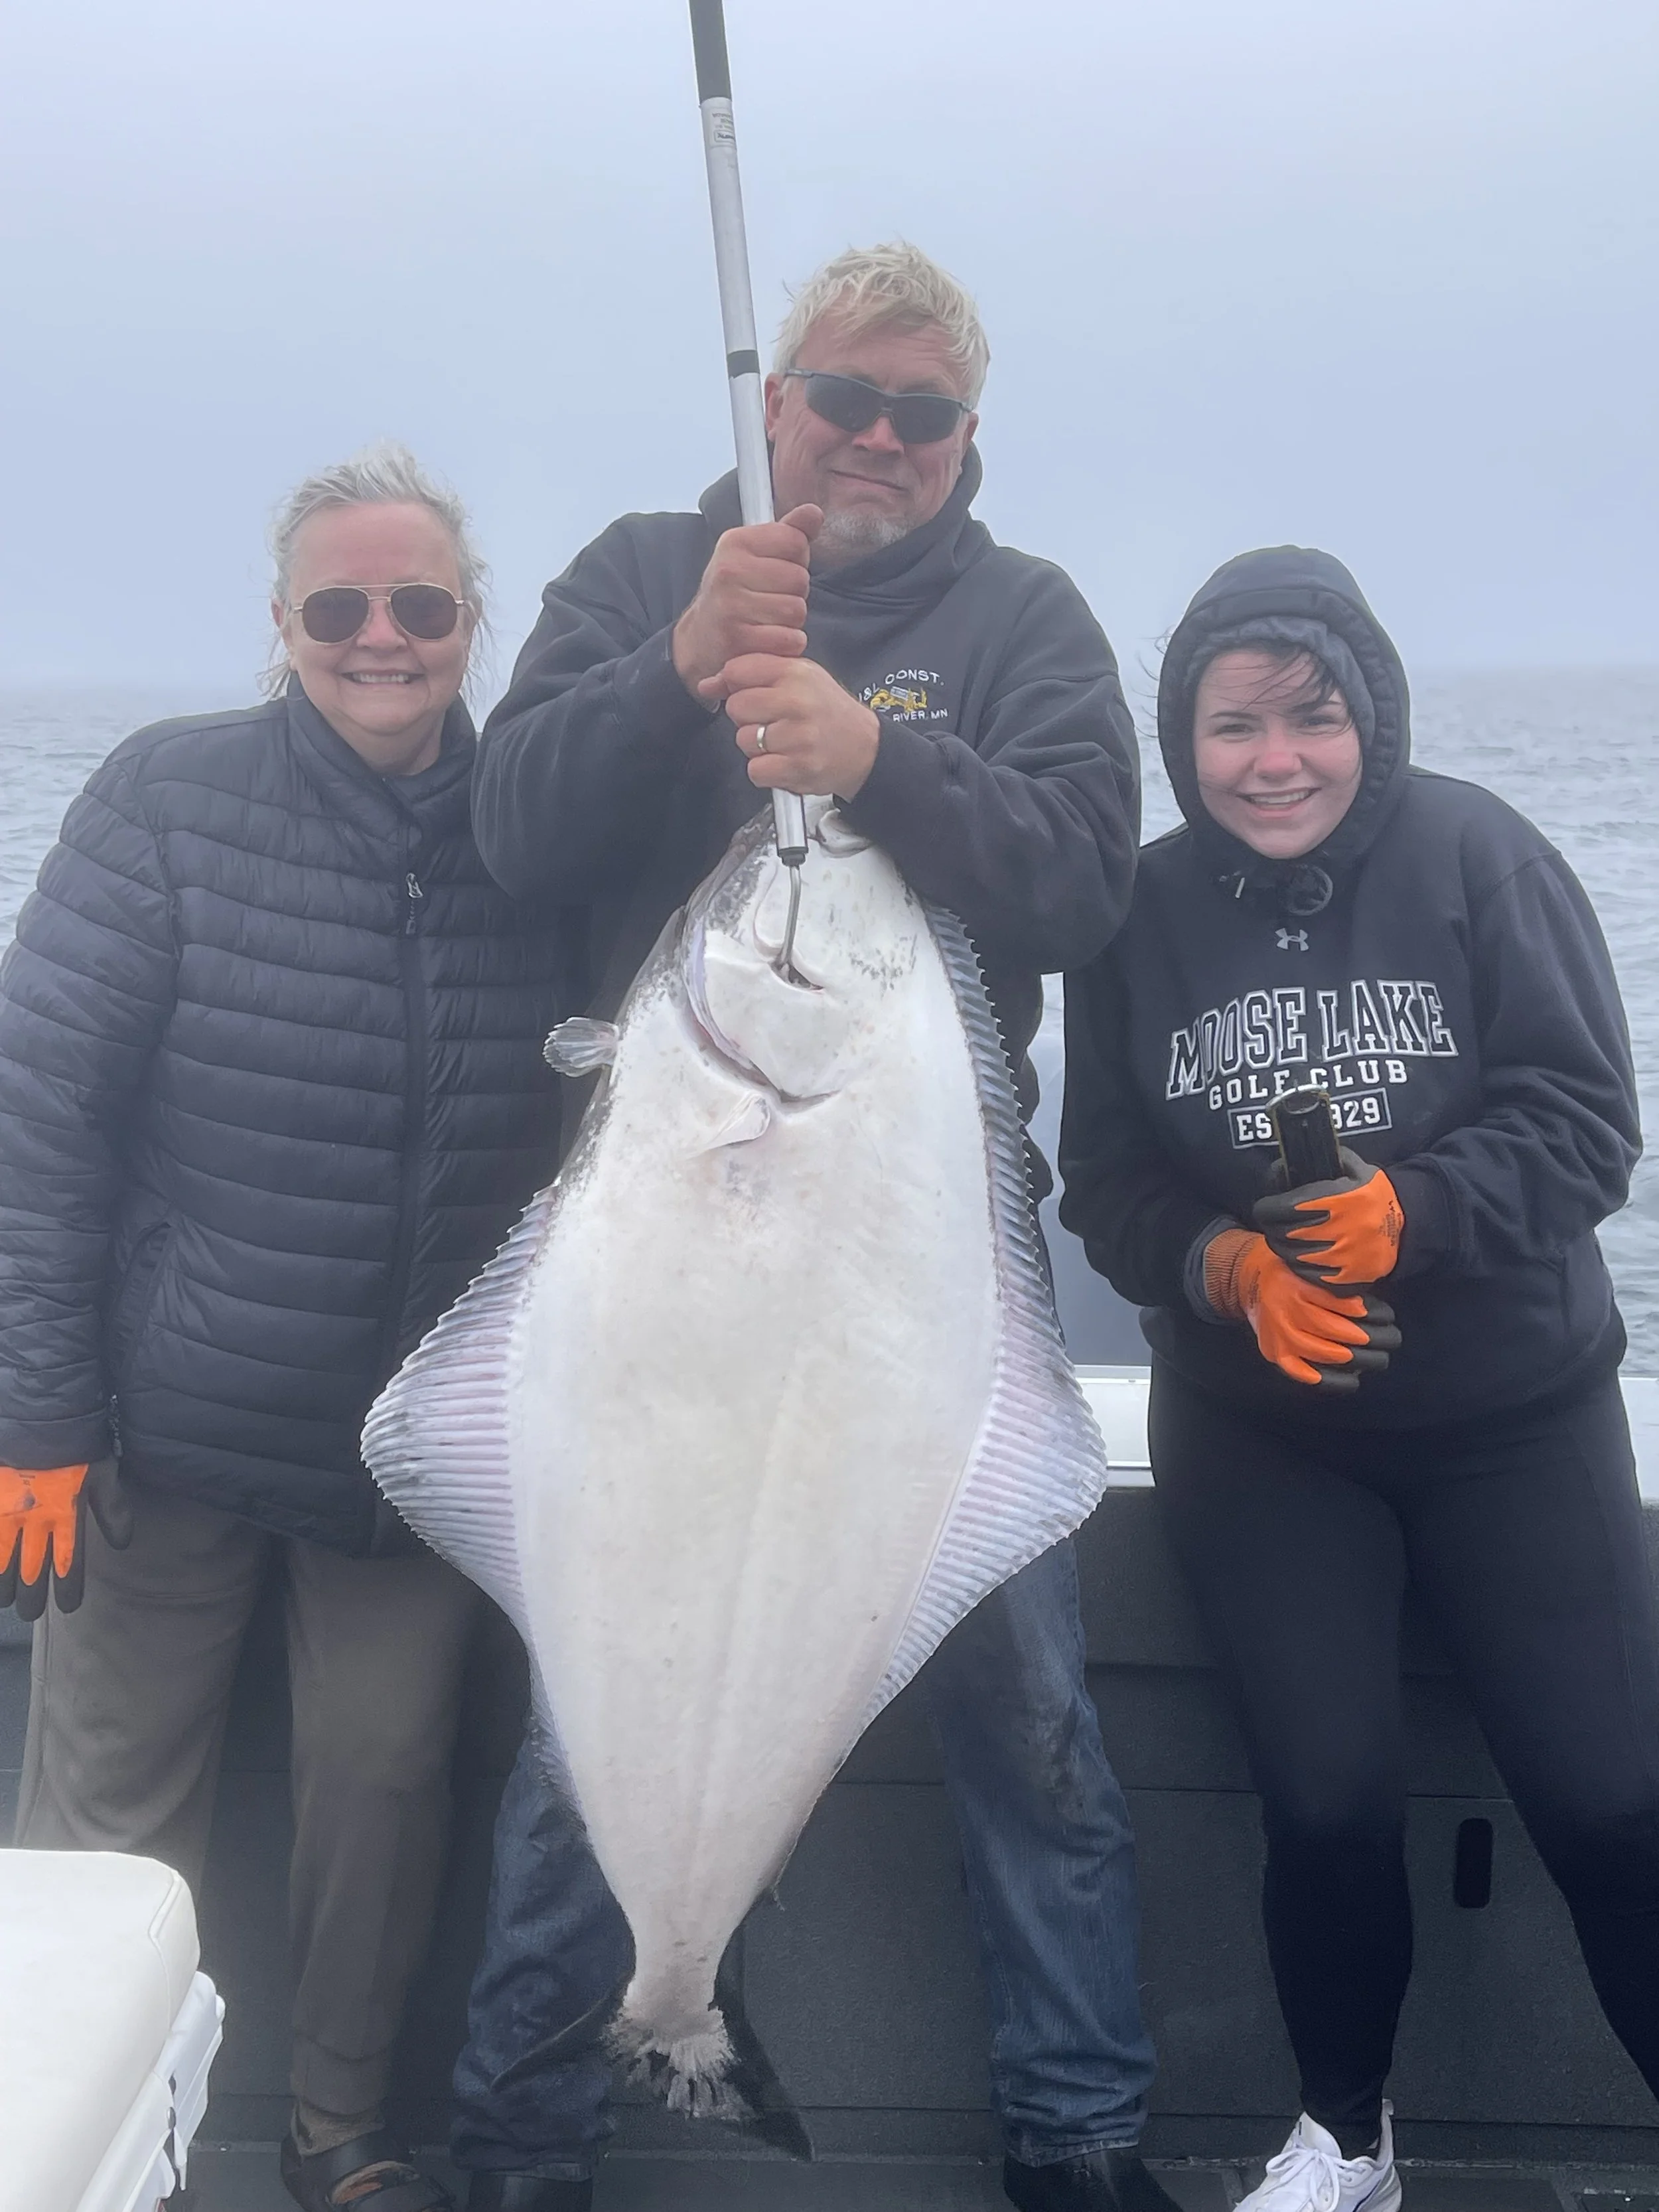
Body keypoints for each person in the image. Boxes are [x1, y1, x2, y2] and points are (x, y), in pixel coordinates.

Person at [452, 243, 1165, 2212]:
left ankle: (1077, 2138)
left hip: (917, 1272)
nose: (876, 437)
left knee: (1033, 1725)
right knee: (584, 1737)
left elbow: (1085, 876)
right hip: (662, 1258)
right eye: (842, 397)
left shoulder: (1021, 619)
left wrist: (877, 760)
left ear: (965, 438)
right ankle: (521, 2140)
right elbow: (514, 823)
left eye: (920, 412)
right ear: (772, 406)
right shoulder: (634, 574)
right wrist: (675, 666)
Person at [0, 445, 571, 2212]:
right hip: (158, 1436)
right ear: (281, 627)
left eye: (420, 605)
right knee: (100, 1830)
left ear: (474, 621)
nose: (380, 638)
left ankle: (341, 2139)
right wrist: (37, 1414)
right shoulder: (168, 798)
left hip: (402, 1459)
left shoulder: (533, 834)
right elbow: (39, 1117)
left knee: (388, 1799)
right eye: (340, 607)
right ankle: (74, 2149)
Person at [1060, 546, 1657, 2212]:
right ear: (1180, 742)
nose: (1271, 758)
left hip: (1512, 1421)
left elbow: (1586, 1123)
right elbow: (1102, 1177)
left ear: (1366, 716)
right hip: (1269, 1438)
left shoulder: (1480, 853)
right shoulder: (1135, 910)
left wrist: (1422, 1209)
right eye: (1228, 724)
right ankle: (1345, 2138)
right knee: (1323, 1803)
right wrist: (1225, 1267)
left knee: (1608, 1802)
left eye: (1307, 717)